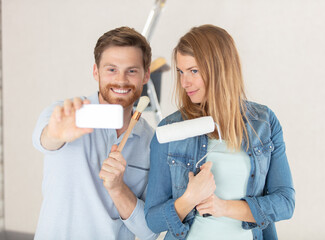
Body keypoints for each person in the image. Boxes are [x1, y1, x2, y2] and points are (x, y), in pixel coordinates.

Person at [144, 24, 295, 240]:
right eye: (181, 72)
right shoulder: (171, 130)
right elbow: (153, 219)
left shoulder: (263, 122)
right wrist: (189, 198)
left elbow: (285, 203)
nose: (185, 82)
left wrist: (224, 207)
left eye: (193, 71)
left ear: (220, 69)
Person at [32, 27, 157, 240]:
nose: (121, 80)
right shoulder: (65, 115)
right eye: (111, 69)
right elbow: (44, 141)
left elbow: (149, 232)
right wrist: (55, 133)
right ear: (95, 72)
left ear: (145, 75)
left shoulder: (152, 142)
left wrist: (118, 189)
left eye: (132, 71)